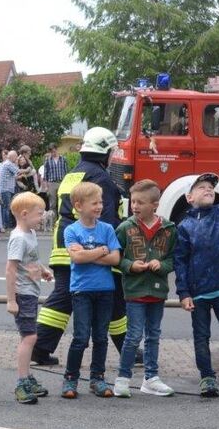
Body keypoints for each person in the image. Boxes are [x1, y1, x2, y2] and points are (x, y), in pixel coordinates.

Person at [34, 127, 128, 366]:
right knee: (114, 294)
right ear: (105, 152)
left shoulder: (73, 173)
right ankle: (129, 349)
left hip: (64, 244)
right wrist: (103, 252)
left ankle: (39, 348)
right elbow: (103, 219)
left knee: (63, 297)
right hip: (89, 246)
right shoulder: (101, 178)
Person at [113, 179, 176, 398]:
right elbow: (116, 258)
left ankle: (151, 378)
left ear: (155, 204)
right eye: (133, 201)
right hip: (134, 291)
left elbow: (172, 258)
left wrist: (163, 265)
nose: (135, 206)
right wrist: (130, 265)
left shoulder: (169, 229)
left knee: (153, 335)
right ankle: (123, 378)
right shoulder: (125, 228)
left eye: (140, 202)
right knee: (133, 336)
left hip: (157, 292)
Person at [60, 182, 121, 399]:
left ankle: (97, 378)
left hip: (105, 290)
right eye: (94, 202)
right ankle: (70, 378)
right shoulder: (71, 230)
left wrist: (90, 254)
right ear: (79, 205)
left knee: (101, 338)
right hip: (82, 291)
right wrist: (101, 250)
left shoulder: (107, 229)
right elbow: (76, 258)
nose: (99, 206)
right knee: (81, 337)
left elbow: (116, 258)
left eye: (101, 202)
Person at [174, 172, 219, 397]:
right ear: (189, 197)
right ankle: (207, 378)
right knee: (201, 336)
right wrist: (183, 293)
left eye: (211, 187)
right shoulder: (184, 226)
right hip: (199, 293)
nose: (208, 189)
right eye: (201, 187)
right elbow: (180, 261)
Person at [6, 192, 53, 404]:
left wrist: (42, 270)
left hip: (31, 292)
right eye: (39, 214)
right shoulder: (18, 238)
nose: (42, 218)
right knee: (30, 337)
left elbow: (31, 259)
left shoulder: (30, 233)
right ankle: (22, 381)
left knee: (29, 335)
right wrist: (11, 299)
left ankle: (27, 378)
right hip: (23, 294)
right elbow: (10, 270)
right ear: (24, 214)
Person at [43, 143, 68, 212]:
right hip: (52, 183)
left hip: (61, 182)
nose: (53, 153)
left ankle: (61, 220)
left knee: (62, 202)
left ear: (57, 150)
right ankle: (52, 220)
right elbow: (45, 174)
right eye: (51, 152)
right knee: (52, 204)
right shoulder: (47, 160)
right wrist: (46, 187)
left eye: (54, 151)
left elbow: (66, 172)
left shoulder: (63, 159)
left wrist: (66, 183)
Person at [0, 150, 19, 230]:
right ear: (12, 157)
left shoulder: (7, 164)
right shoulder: (8, 164)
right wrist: (29, 171)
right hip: (6, 189)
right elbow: (18, 172)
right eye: (16, 156)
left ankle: (4, 225)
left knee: (5, 207)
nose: (17, 158)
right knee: (6, 207)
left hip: (6, 189)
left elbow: (15, 175)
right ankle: (5, 225)